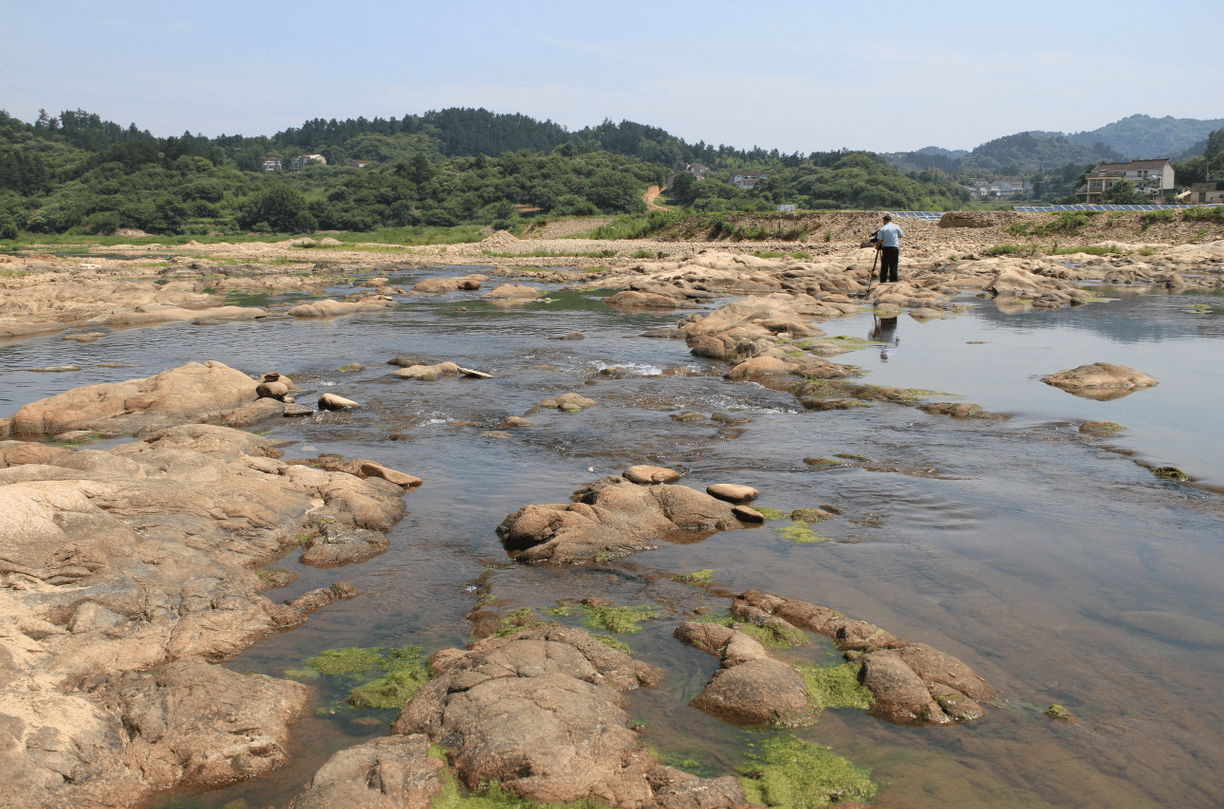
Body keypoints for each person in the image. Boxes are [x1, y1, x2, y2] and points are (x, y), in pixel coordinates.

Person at [874, 214, 903, 283]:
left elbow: (879, 240)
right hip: (894, 248)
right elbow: (901, 235)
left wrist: (877, 247)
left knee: (884, 266)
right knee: (894, 265)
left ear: (885, 220)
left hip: (886, 248)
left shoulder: (883, 228)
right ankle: (894, 280)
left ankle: (883, 281)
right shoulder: (896, 227)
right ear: (890, 220)